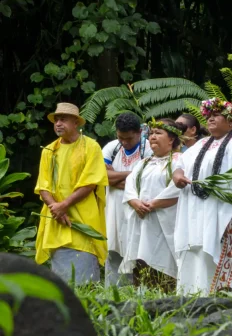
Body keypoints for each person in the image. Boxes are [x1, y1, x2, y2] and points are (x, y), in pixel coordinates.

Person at [173, 98, 232, 295]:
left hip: (227, 209)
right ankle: (193, 296)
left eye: (216, 116)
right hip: (198, 209)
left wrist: (217, 193)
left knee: (227, 254)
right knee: (197, 252)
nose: (211, 119)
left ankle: (228, 299)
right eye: (209, 116)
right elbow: (179, 164)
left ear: (231, 122)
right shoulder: (202, 143)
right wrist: (178, 175)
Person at [35, 102, 108, 284]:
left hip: (83, 219)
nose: (58, 123)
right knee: (61, 281)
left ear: (76, 123)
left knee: (84, 277)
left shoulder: (91, 147)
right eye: (56, 120)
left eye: (63, 119)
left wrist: (63, 206)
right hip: (57, 220)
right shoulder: (49, 150)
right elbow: (43, 186)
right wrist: (56, 209)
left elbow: (91, 182)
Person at [118, 118, 185, 284]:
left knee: (164, 262)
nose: (153, 137)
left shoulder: (179, 160)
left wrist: (154, 204)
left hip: (166, 222)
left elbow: (177, 189)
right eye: (152, 133)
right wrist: (134, 201)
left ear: (171, 139)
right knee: (141, 259)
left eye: (159, 133)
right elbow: (130, 184)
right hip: (142, 220)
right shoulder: (143, 163)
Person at [102, 112, 152, 288]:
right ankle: (112, 293)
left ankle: (139, 292)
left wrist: (115, 176)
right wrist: (133, 174)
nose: (124, 142)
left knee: (138, 249)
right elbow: (101, 177)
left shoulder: (149, 149)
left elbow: (146, 181)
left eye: (129, 139)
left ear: (139, 132)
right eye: (120, 137)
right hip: (113, 210)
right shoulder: (111, 147)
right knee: (113, 249)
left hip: (137, 209)